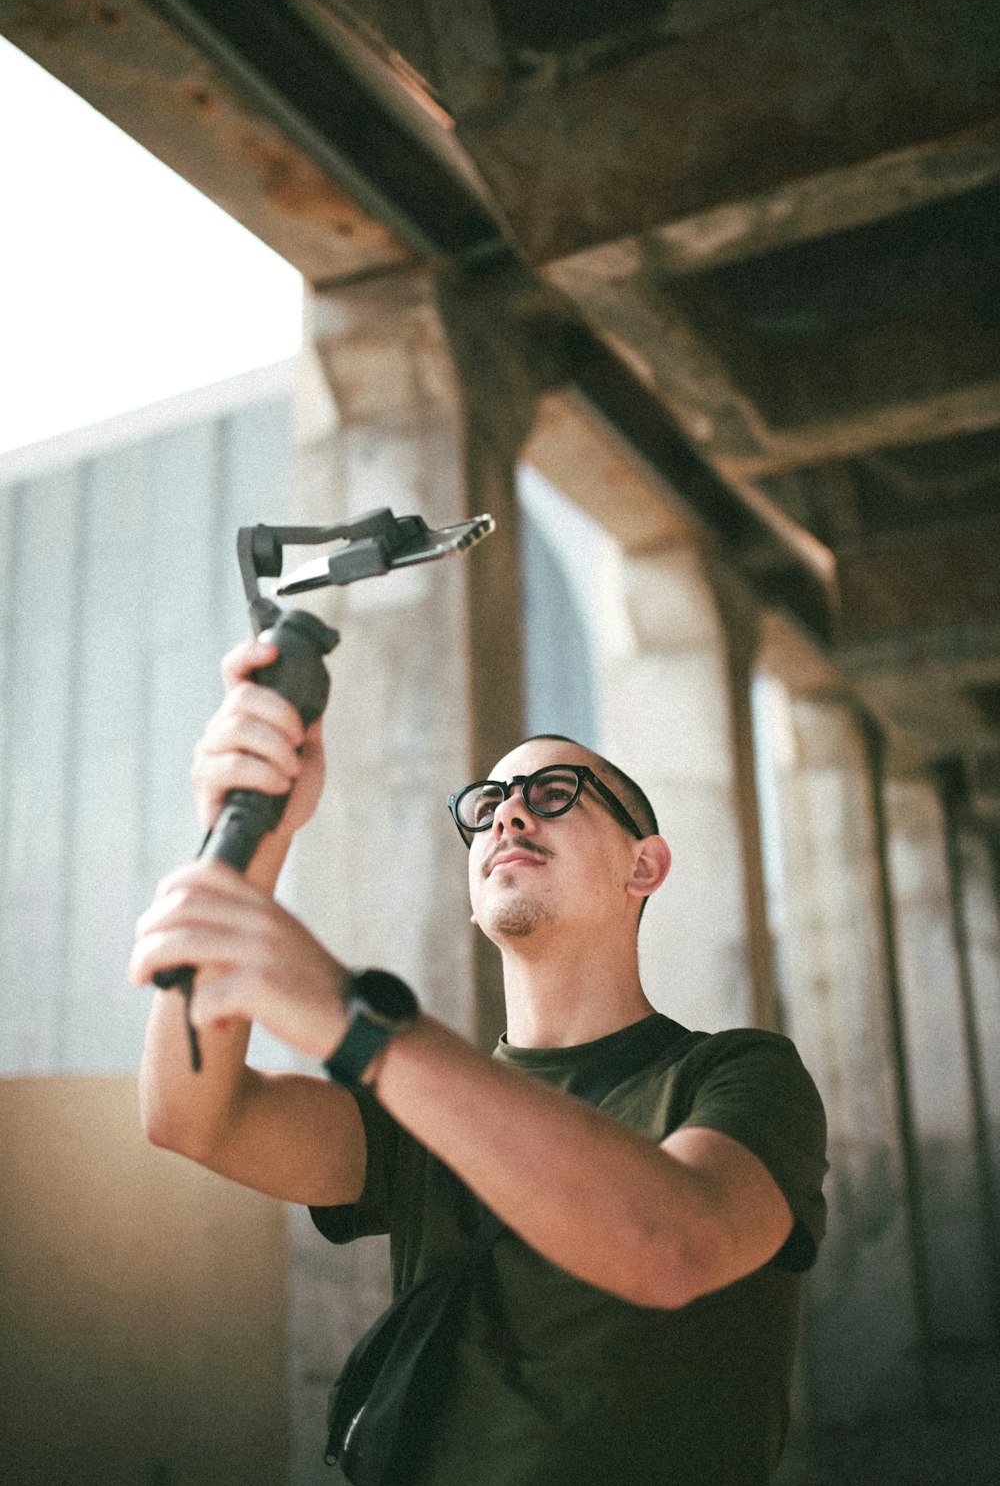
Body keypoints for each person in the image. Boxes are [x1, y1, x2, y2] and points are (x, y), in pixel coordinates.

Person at [130, 635, 828, 1486]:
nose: (507, 814)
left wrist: (357, 1022)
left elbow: (673, 1245)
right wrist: (250, 832)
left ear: (644, 865)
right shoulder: (422, 1104)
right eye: (489, 803)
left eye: (554, 793)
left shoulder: (739, 1074)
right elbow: (195, 1117)